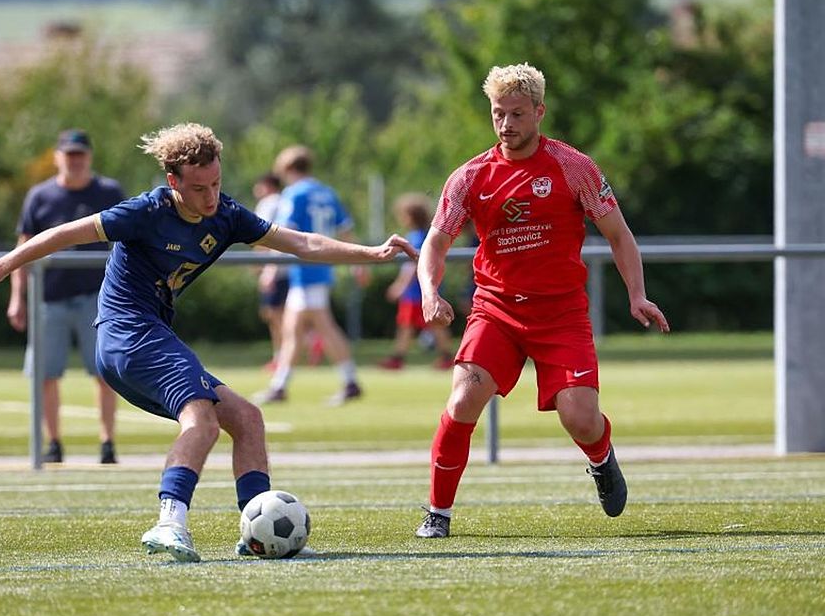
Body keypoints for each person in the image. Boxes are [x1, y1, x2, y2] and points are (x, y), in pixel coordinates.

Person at [0, 122, 415, 562]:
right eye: (199, 188)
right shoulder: (145, 212)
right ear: (173, 181)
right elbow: (60, 235)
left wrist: (371, 253)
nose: (211, 196)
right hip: (127, 333)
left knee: (247, 418)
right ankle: (169, 523)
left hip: (149, 335)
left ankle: (256, 533)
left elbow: (304, 244)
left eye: (216, 183)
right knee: (201, 421)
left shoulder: (227, 216)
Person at [414, 63, 669, 539]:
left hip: (561, 313)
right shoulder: (470, 176)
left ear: (538, 112)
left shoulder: (574, 167)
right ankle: (437, 512)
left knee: (581, 418)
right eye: (497, 114)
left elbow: (618, 234)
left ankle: (601, 457)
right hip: (496, 310)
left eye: (516, 114)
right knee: (464, 397)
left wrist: (637, 293)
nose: (506, 124)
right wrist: (430, 291)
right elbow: (435, 242)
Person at [8, 129, 124, 465]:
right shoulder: (40, 196)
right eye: (68, 154)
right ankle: (53, 442)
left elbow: (128, 243)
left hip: (98, 298)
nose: (74, 161)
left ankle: (107, 442)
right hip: (49, 297)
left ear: (89, 157)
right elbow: (23, 248)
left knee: (105, 371)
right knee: (46, 374)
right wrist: (17, 297)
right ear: (58, 157)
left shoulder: (108, 191)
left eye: (80, 154)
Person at [255, 145, 365, 406]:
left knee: (322, 327)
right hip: (320, 267)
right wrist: (358, 263)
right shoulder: (327, 192)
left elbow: (285, 234)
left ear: (288, 169)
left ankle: (349, 381)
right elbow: (346, 229)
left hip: (305, 269)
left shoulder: (294, 194)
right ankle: (280, 385)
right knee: (293, 330)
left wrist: (270, 268)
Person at [378, 192, 455, 371]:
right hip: (423, 289)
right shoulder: (425, 234)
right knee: (417, 325)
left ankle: (400, 358)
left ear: (411, 217)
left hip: (416, 291)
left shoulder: (416, 237)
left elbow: (412, 266)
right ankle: (443, 356)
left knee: (415, 325)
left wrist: (400, 286)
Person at [250, 173, 289, 371]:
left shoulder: (268, 203)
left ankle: (284, 355)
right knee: (279, 313)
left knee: (273, 313)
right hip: (290, 265)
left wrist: (260, 264)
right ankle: (284, 353)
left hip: (274, 266)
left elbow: (262, 236)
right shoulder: (285, 200)